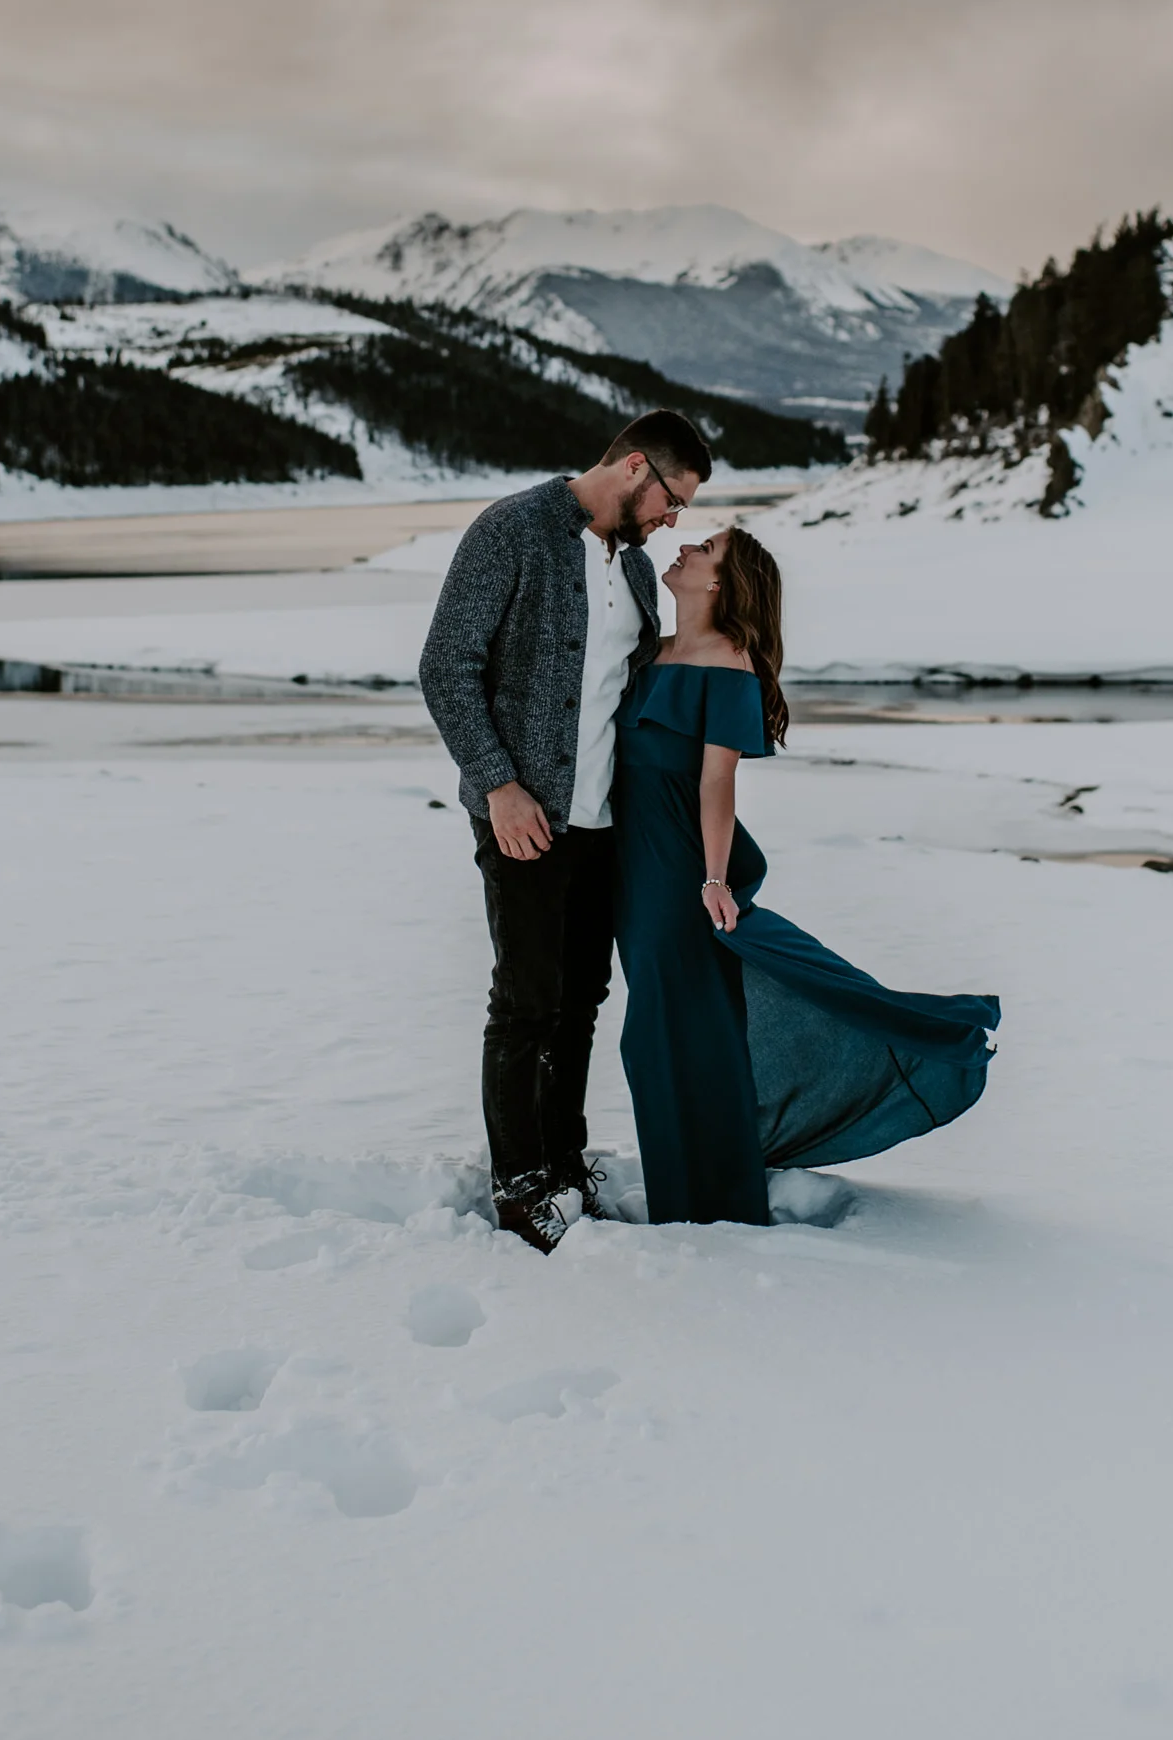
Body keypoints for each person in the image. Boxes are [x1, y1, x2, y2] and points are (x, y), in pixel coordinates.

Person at [613, 525, 999, 1225]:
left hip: (674, 872)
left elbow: (716, 784)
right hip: (629, 866)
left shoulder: (729, 661)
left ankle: (708, 1204)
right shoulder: (651, 650)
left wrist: (711, 879)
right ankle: (692, 1192)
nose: (685, 548)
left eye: (703, 549)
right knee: (662, 1034)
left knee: (670, 1034)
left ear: (720, 584)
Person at [419, 410, 712, 1251]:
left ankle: (563, 1160)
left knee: (581, 1001)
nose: (672, 520)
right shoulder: (511, 530)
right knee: (525, 1003)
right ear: (632, 469)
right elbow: (446, 666)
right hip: (523, 816)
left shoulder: (639, 572)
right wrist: (499, 785)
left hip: (602, 820)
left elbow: (628, 686)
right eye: (672, 499)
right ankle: (519, 1188)